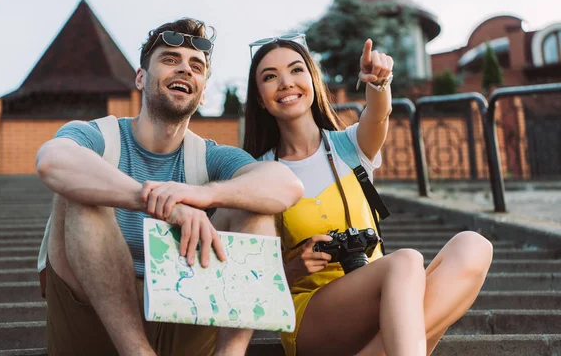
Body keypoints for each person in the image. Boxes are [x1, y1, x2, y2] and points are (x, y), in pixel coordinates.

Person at [35, 18, 304, 356]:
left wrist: (203, 195)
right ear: (141, 77)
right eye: (170, 59)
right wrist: (162, 205)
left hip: (184, 307)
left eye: (196, 66)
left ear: (204, 91)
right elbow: (51, 161)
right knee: (80, 191)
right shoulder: (97, 135)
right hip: (94, 316)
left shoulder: (209, 155)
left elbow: (287, 185)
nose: (184, 70)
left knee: (253, 205)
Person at [243, 35, 493, 356]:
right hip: (312, 317)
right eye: (269, 76)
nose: (285, 83)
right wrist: (293, 268)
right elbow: (249, 280)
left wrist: (379, 82)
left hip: (384, 298)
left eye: (296, 70)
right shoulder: (256, 173)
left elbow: (377, 116)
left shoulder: (349, 147)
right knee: (406, 262)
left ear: (313, 81)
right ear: (261, 98)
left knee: (473, 245)